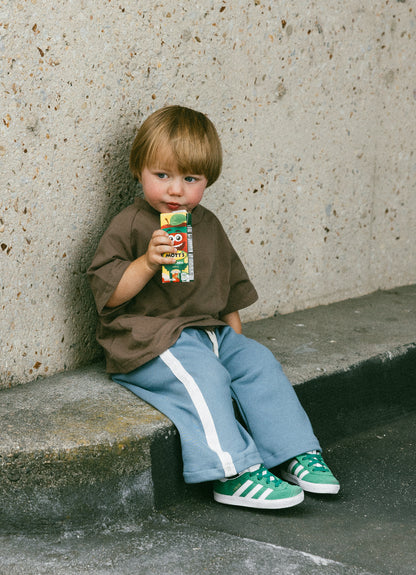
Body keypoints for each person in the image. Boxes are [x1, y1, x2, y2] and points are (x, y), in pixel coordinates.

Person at [87, 105, 340, 510]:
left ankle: (291, 451)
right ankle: (232, 472)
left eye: (191, 179)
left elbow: (228, 296)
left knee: (257, 361)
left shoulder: (208, 224)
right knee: (203, 374)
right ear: (138, 170)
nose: (175, 190)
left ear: (208, 180)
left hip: (207, 333)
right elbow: (109, 294)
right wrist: (147, 262)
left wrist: (234, 345)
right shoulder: (131, 223)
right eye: (162, 175)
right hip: (148, 340)